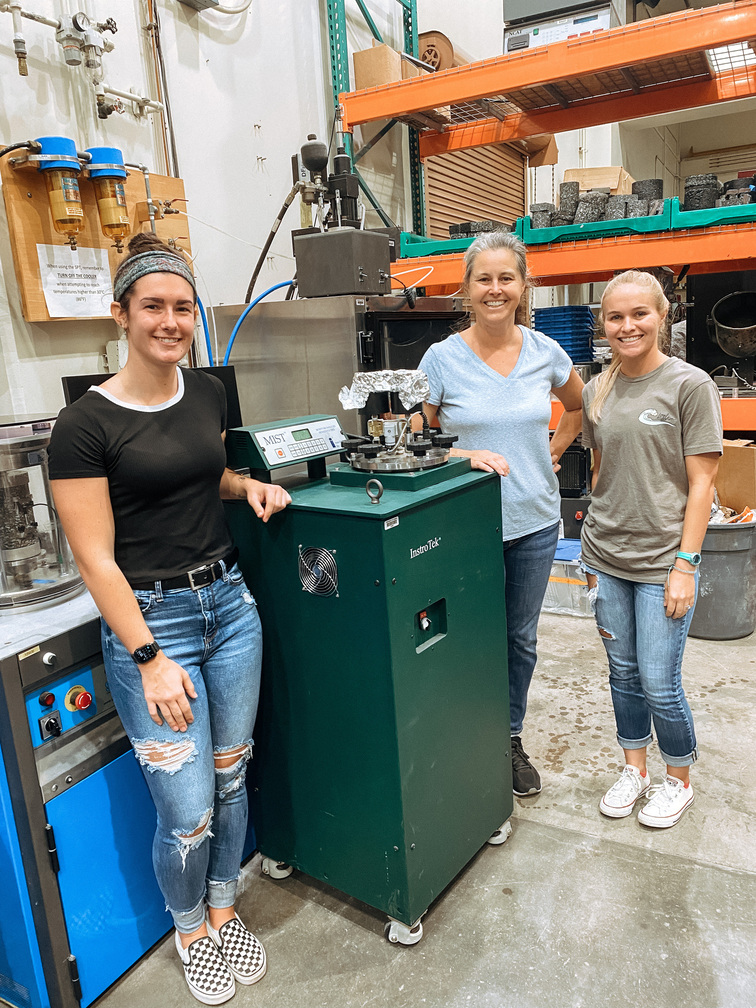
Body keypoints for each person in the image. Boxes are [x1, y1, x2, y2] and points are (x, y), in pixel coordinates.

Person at [49, 232, 290, 1005]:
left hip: (230, 605)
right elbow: (96, 559)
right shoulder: (83, 426)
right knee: (184, 811)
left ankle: (225, 907)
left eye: (182, 306)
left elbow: (196, 475)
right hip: (155, 626)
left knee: (231, 775)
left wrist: (242, 486)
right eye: (153, 306)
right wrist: (150, 657)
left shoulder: (208, 393)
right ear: (120, 313)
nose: (171, 320)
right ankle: (189, 927)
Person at [418, 230, 584, 796]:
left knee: (519, 639)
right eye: (483, 279)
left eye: (505, 278)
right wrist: (465, 453)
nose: (495, 289)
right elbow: (419, 438)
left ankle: (508, 736)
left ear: (522, 286)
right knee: (462, 636)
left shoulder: (545, 352)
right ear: (466, 289)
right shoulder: (440, 359)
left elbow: (579, 407)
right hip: (463, 527)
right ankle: (464, 734)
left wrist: (555, 450)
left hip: (535, 522)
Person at [581, 269, 721, 828]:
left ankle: (677, 779)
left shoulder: (690, 386)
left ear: (663, 316)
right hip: (606, 556)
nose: (627, 325)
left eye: (640, 313)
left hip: (664, 559)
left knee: (660, 679)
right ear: (603, 324)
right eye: (615, 316)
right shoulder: (597, 389)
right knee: (623, 673)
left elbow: (703, 484)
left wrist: (685, 564)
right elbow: (600, 468)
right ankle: (635, 770)